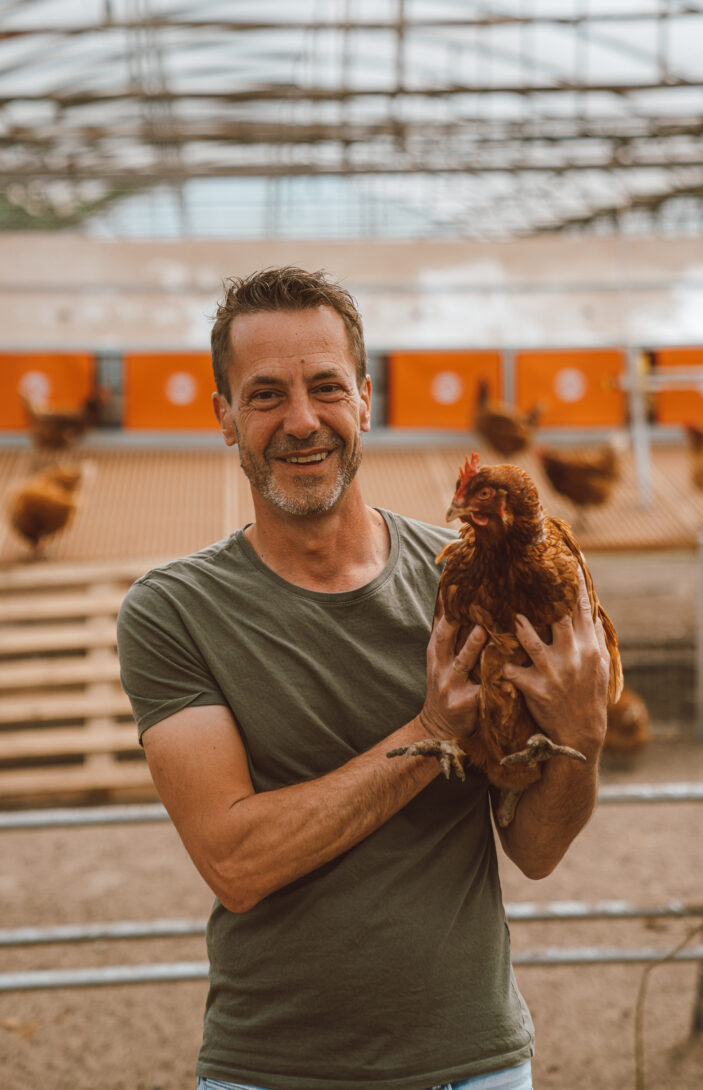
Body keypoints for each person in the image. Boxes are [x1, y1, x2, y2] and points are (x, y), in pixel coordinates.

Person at [117, 266, 610, 1090]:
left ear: (366, 400)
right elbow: (236, 862)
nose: (302, 421)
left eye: (325, 388)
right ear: (225, 418)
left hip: (475, 1063)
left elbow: (535, 848)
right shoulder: (175, 611)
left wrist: (579, 742)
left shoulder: (466, 581)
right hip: (272, 1070)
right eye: (266, 394)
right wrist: (429, 734)